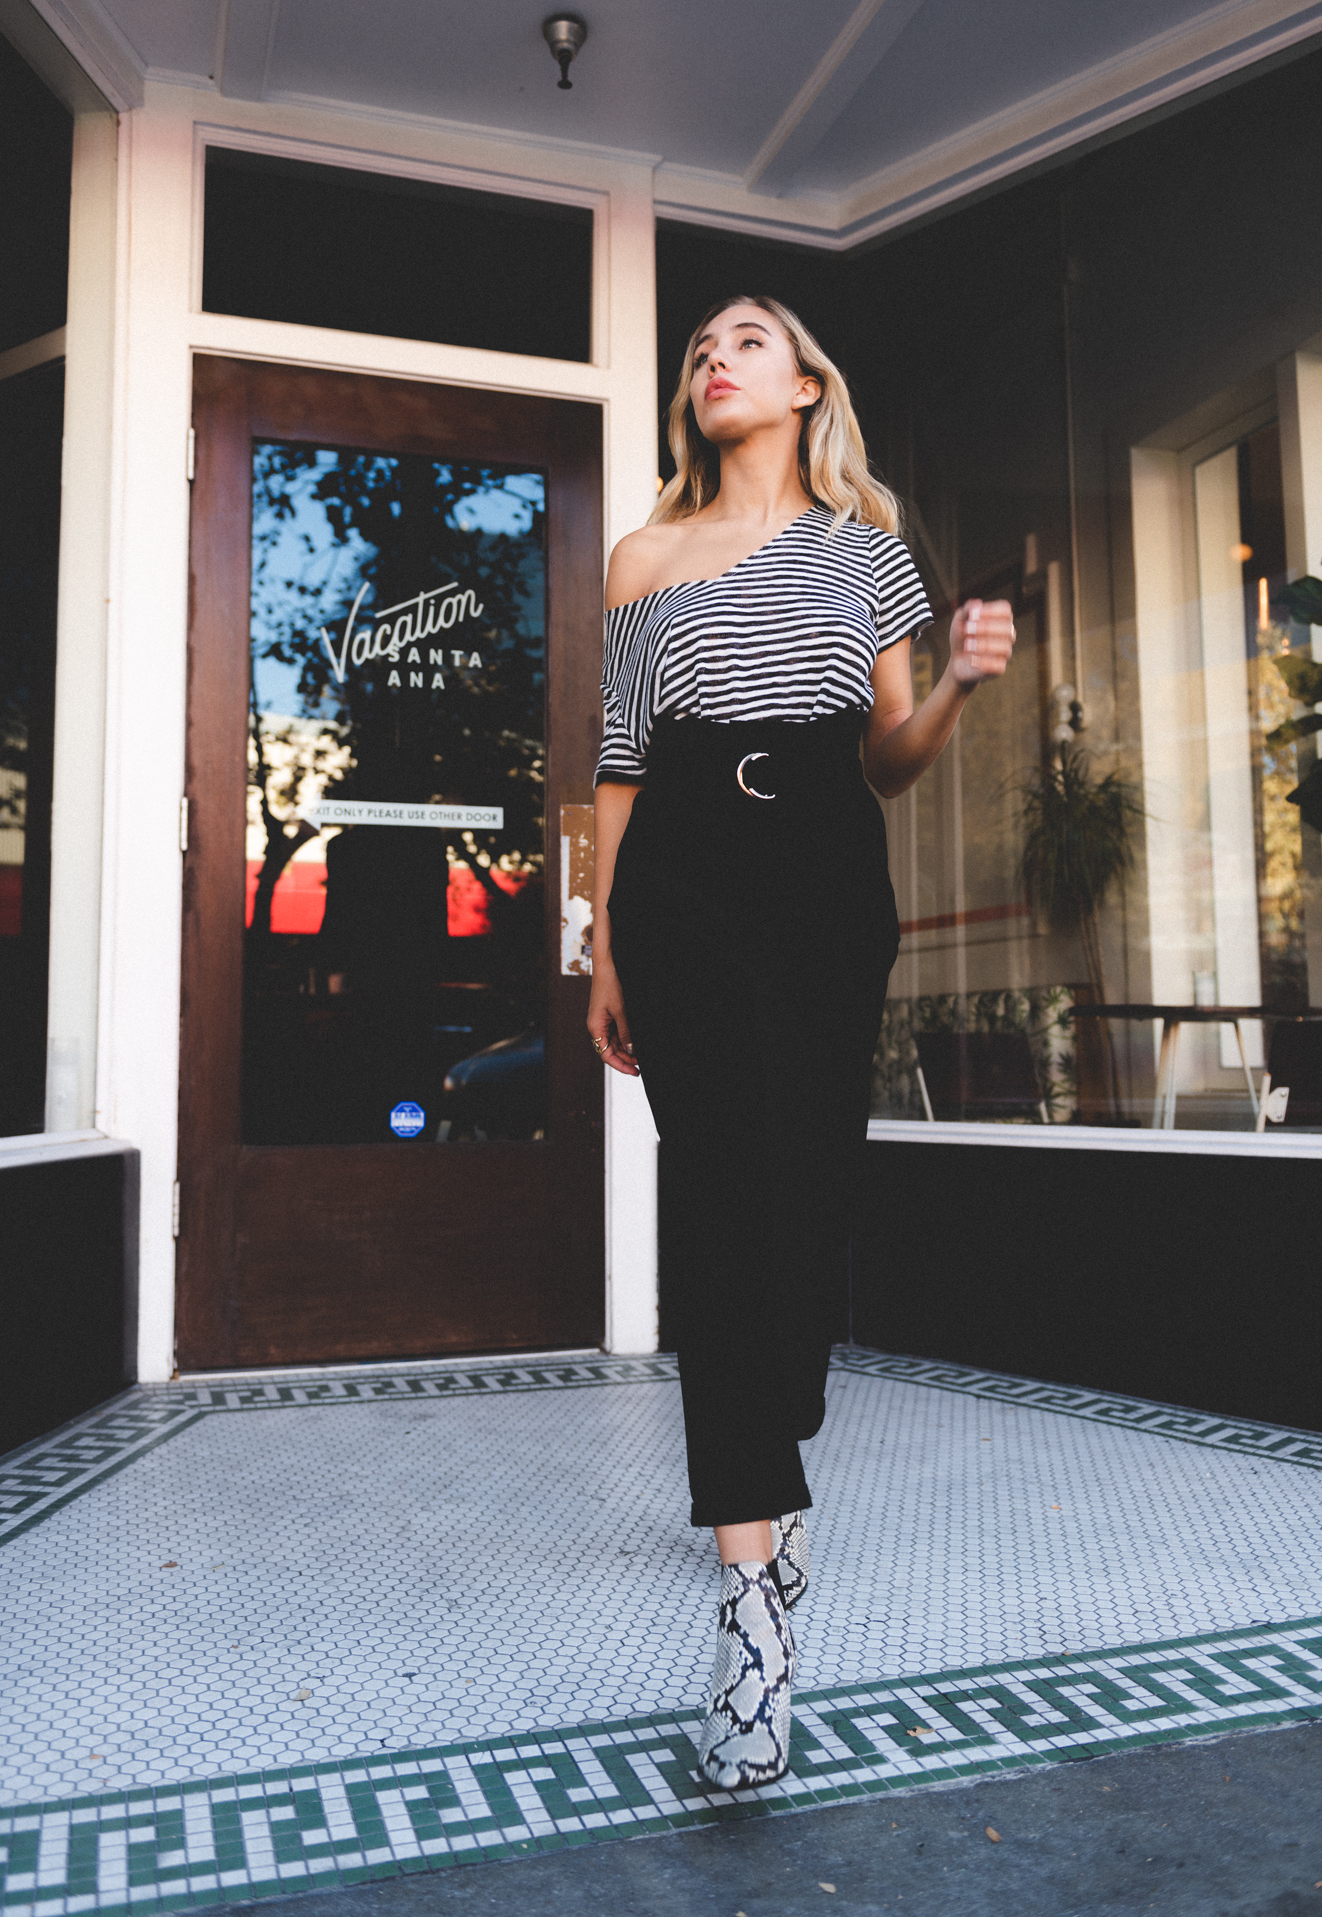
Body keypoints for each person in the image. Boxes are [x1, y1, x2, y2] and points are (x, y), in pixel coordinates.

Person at [587, 296, 1015, 1790]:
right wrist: (605, 942)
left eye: (748, 340)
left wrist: (954, 680)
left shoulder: (862, 547)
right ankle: (753, 1605)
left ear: (808, 382)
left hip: (823, 876)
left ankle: (778, 1425)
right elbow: (622, 765)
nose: (716, 358)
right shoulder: (643, 559)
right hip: (685, 881)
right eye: (701, 346)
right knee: (714, 1207)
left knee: (806, 1200)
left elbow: (886, 759)